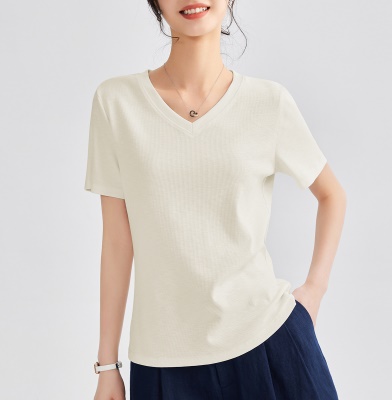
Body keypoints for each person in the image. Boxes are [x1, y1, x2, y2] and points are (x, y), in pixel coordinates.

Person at [84, 1, 347, 399]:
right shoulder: (116, 102)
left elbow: (332, 194)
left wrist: (314, 290)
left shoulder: (267, 103)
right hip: (163, 363)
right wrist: (107, 366)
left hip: (269, 343)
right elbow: (118, 242)